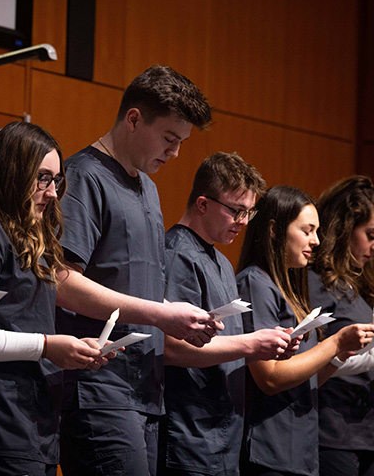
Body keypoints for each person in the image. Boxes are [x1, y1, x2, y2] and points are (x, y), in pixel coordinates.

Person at [54, 65, 217, 475]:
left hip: (144, 388)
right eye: (169, 138)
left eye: (181, 142)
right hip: (98, 387)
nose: (175, 152)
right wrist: (162, 314)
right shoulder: (84, 176)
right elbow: (62, 280)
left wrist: (178, 316)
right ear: (133, 119)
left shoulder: (148, 187)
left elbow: (135, 288)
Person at [0, 121, 113, 476]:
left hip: (30, 425)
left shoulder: (26, 236)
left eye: (56, 180)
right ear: (12, 172)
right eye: (43, 178)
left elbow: (24, 323)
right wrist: (47, 346)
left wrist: (72, 347)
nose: (53, 192)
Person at [160, 152, 296, 476]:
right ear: (203, 204)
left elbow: (229, 345)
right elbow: (171, 346)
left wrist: (268, 346)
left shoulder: (220, 261)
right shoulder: (177, 253)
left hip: (224, 440)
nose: (244, 222)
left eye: (250, 212)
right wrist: (251, 345)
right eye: (236, 211)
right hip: (190, 437)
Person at [237, 185, 374, 476]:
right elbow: (270, 378)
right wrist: (335, 343)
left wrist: (338, 356)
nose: (315, 241)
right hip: (270, 448)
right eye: (308, 230)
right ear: (275, 229)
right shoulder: (255, 282)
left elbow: (307, 379)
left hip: (300, 448)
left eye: (317, 231)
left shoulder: (288, 289)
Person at [309, 175, 374, 476]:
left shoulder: (358, 285)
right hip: (332, 434)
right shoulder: (315, 283)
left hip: (364, 431)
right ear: (345, 228)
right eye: (370, 235)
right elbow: (307, 358)